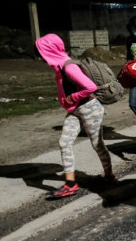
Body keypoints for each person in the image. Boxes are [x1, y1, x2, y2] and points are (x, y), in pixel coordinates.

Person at [35, 34, 115, 198]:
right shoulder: (58, 65)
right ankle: (71, 185)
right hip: (75, 111)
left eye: (41, 51)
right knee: (64, 143)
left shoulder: (68, 67)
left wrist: (73, 97)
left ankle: (110, 177)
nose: (40, 55)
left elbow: (90, 87)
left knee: (97, 144)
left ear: (49, 50)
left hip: (89, 109)